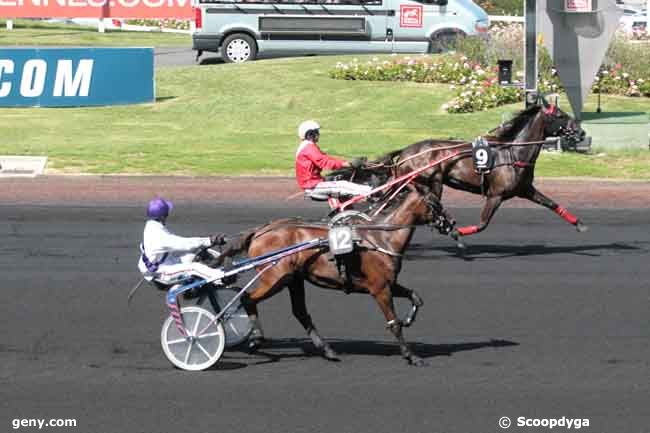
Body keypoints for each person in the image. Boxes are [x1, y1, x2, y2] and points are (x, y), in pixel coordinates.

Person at [137, 197, 227, 286]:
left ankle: (225, 260)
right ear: (163, 216)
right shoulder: (158, 235)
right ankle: (222, 277)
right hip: (160, 272)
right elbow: (184, 244)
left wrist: (207, 243)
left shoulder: (152, 226)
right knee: (194, 267)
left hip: (166, 262)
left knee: (198, 251)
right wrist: (209, 241)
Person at [295, 120, 373, 200]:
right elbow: (324, 162)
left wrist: (346, 163)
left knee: (343, 176)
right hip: (312, 186)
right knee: (343, 185)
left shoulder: (308, 146)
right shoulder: (308, 148)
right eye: (316, 132)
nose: (319, 134)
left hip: (314, 182)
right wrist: (346, 164)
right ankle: (371, 191)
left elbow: (326, 158)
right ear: (309, 134)